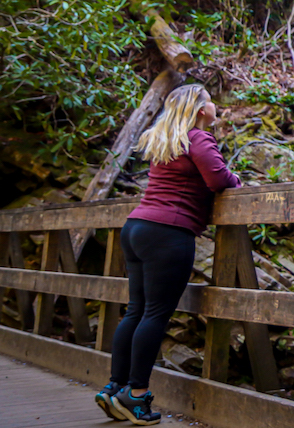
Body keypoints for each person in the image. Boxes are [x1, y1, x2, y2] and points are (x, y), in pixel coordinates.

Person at [95, 84, 241, 426]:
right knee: (155, 314)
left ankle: (115, 387)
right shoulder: (198, 138)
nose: (214, 103)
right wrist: (237, 179)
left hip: (136, 228)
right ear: (200, 109)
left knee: (136, 310)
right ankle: (135, 395)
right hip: (168, 234)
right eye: (209, 99)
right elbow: (219, 179)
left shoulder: (167, 141)